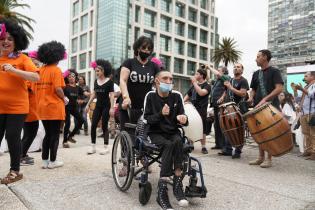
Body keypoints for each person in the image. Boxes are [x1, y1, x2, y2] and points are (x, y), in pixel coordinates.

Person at [0, 19, 39, 184]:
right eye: (3, 38)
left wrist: (14, 70)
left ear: (16, 41)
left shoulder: (22, 58)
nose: (6, 41)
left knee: (12, 136)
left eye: (10, 39)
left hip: (17, 107)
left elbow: (36, 77)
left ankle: (15, 171)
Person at [144, 71, 189, 210]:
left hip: (172, 131)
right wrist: (160, 114)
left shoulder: (176, 96)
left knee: (177, 141)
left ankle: (177, 184)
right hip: (155, 132)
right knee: (169, 144)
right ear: (157, 81)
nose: (169, 81)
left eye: (171, 79)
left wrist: (184, 119)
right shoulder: (150, 96)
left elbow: (183, 117)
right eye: (165, 78)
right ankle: (162, 191)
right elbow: (147, 119)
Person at [248, 49, 284, 168]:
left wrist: (265, 99)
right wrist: (251, 98)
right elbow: (253, 89)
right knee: (260, 132)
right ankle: (260, 157)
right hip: (258, 107)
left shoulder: (275, 71)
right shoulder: (256, 74)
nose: (256, 59)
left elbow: (279, 88)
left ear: (264, 57)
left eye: (258, 56)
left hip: (271, 106)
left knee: (269, 132)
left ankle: (269, 159)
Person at [37, 41, 67, 169]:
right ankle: (53, 161)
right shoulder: (56, 70)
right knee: (54, 135)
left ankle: (45, 161)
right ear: (57, 56)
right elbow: (58, 89)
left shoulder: (40, 70)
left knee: (47, 134)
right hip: (54, 107)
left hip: (42, 107)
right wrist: (64, 98)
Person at [119, 36, 160, 130]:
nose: (146, 51)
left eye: (149, 49)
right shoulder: (129, 63)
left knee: (143, 135)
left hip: (145, 107)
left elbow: (159, 83)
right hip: (128, 105)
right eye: (144, 48)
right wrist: (126, 97)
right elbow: (123, 80)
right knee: (128, 135)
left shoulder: (154, 66)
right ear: (138, 48)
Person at [85, 59, 115, 155]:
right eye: (96, 71)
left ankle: (106, 147)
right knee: (93, 125)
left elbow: (112, 95)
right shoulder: (95, 81)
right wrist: (88, 104)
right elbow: (94, 94)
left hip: (106, 106)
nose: (96, 72)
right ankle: (93, 146)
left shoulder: (109, 82)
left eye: (98, 71)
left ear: (103, 71)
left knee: (104, 126)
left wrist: (112, 107)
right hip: (98, 106)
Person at [221, 63, 249, 158]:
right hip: (228, 107)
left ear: (242, 70)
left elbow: (242, 94)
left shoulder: (243, 81)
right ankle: (228, 149)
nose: (236, 68)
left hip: (238, 108)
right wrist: (222, 97)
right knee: (228, 127)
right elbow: (226, 91)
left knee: (239, 129)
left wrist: (231, 88)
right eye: (235, 67)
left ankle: (238, 151)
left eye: (238, 67)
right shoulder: (230, 80)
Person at [20, 51, 42, 166]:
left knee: (28, 133)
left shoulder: (27, 73)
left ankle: (22, 154)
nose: (36, 62)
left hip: (30, 108)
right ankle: (21, 156)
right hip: (29, 109)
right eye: (34, 59)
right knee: (30, 133)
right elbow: (29, 88)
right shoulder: (28, 75)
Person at [184, 67, 211, 154]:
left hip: (201, 110)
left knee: (202, 128)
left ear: (201, 76)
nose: (195, 75)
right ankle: (191, 144)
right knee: (191, 126)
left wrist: (195, 83)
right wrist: (183, 102)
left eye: (197, 74)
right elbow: (187, 96)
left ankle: (203, 147)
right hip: (192, 110)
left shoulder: (207, 85)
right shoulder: (193, 86)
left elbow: (201, 93)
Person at [291, 71, 315, 160]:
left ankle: (314, 152)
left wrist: (301, 89)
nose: (304, 77)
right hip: (303, 113)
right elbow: (297, 100)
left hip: (312, 113)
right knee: (306, 133)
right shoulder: (306, 86)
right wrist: (295, 91)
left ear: (312, 77)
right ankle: (308, 151)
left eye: (306, 76)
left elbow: (312, 95)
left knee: (313, 134)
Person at [208, 66, 230, 150]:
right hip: (215, 105)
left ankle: (224, 145)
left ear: (224, 72)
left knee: (222, 125)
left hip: (222, 105)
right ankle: (218, 144)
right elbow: (209, 80)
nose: (217, 72)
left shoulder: (226, 77)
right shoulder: (218, 81)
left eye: (219, 70)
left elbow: (218, 74)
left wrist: (209, 67)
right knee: (216, 125)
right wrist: (206, 70)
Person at [62, 69, 85, 148]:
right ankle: (65, 141)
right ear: (67, 78)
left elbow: (82, 96)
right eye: (69, 77)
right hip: (66, 107)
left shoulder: (79, 88)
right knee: (67, 123)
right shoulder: (65, 87)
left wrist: (81, 100)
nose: (71, 78)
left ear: (76, 78)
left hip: (74, 107)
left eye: (73, 76)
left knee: (81, 120)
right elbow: (60, 96)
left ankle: (70, 136)